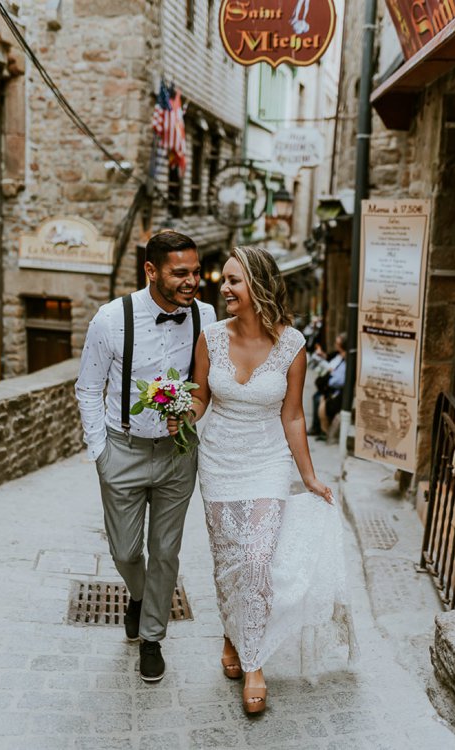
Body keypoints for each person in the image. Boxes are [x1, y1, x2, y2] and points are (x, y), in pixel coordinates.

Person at [171, 245, 356, 714]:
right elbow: (200, 401)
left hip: (267, 462)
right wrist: (180, 415)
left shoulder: (291, 345)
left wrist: (309, 477)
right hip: (219, 461)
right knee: (228, 561)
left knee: (257, 559)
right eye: (225, 281)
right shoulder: (210, 338)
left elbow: (293, 417)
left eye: (234, 281)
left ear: (259, 285)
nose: (224, 288)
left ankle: (253, 661)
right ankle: (232, 636)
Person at [75, 230, 217, 683]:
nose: (192, 281)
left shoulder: (207, 316)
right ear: (151, 271)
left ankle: (153, 637)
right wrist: (101, 452)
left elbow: (206, 383)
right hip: (124, 450)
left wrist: (191, 418)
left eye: (195, 271)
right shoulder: (111, 319)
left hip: (179, 454)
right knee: (124, 550)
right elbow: (87, 388)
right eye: (180, 273)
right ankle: (138, 596)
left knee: (166, 551)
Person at [312, 333, 347, 441]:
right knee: (316, 397)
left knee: (318, 399)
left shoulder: (346, 359)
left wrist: (330, 373)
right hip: (327, 384)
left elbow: (339, 380)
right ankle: (317, 427)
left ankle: (321, 429)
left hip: (334, 389)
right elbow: (328, 357)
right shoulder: (337, 354)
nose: (335, 345)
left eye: (337, 343)